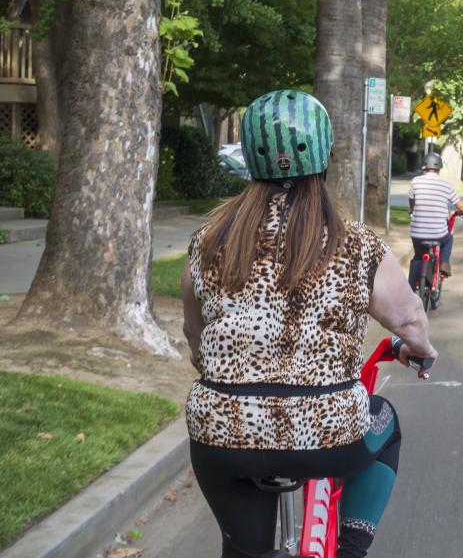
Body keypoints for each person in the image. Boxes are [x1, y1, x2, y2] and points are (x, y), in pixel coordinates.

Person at [181, 90, 438, 558]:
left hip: (222, 432)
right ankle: (352, 548)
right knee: (387, 423)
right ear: (325, 159)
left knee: (244, 552)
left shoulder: (207, 240)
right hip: (329, 432)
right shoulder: (355, 242)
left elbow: (196, 337)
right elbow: (408, 318)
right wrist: (419, 347)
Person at [408, 152, 463, 288]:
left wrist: (411, 211)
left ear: (424, 167)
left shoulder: (415, 181)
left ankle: (410, 288)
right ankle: (444, 263)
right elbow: (458, 204)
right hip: (438, 234)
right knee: (448, 239)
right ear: (439, 168)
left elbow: (412, 200)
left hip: (417, 234)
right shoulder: (446, 184)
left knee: (418, 257)